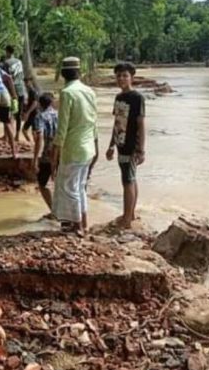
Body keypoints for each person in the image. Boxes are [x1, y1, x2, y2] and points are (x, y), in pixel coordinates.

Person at [50, 56, 99, 236]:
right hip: (88, 149)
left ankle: (77, 226)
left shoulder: (67, 93)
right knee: (80, 187)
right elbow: (94, 123)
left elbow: (61, 130)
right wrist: (96, 147)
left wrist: (54, 156)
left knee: (70, 189)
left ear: (63, 74)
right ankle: (83, 224)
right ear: (79, 72)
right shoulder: (90, 92)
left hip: (73, 149)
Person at [105, 62, 146, 229]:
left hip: (131, 145)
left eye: (125, 75)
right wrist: (111, 145)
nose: (121, 78)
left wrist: (141, 150)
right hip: (120, 143)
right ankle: (130, 214)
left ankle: (127, 219)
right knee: (130, 178)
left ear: (132, 78)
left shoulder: (137, 98)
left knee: (127, 181)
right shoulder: (119, 98)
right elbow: (117, 122)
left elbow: (141, 124)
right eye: (119, 76)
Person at [32, 92, 58, 218]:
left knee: (42, 184)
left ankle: (54, 211)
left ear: (39, 104)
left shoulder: (40, 117)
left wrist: (35, 158)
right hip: (60, 152)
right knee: (60, 183)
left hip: (47, 155)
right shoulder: (58, 114)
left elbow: (39, 137)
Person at [4, 45, 27, 142]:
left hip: (11, 90)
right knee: (18, 113)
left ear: (7, 52)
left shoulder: (6, 63)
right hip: (21, 88)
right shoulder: (19, 62)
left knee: (8, 112)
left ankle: (7, 135)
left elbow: (6, 78)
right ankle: (17, 134)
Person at [21, 77, 41, 143]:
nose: (26, 84)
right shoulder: (30, 92)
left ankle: (36, 145)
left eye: (27, 82)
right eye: (25, 83)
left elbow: (35, 103)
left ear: (31, 82)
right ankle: (31, 143)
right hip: (31, 113)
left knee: (34, 131)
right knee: (24, 130)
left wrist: (28, 112)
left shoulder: (33, 91)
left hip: (34, 113)